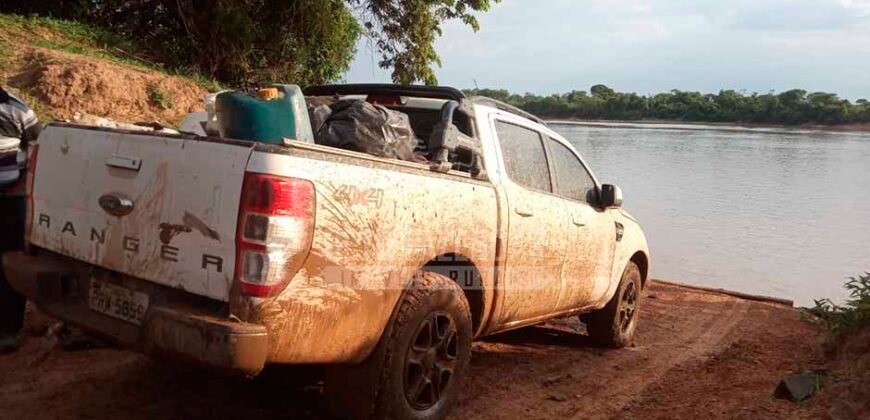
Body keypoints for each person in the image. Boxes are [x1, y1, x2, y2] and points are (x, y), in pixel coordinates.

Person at [0, 87, 41, 354]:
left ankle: (7, 330)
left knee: (7, 263)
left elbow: (40, 148)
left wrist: (23, 184)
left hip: (9, 201)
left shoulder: (18, 110)